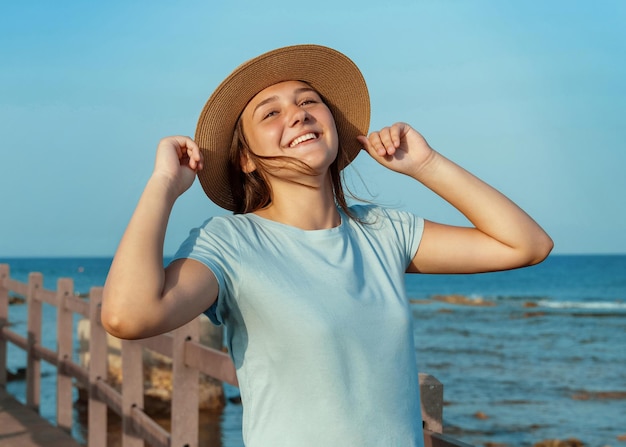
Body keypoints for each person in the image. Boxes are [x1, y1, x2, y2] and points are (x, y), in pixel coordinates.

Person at [102, 44, 553, 447]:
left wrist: (427, 164)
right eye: (271, 113)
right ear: (245, 158)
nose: (298, 114)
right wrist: (162, 183)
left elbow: (526, 245)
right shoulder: (229, 243)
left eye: (308, 101)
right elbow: (128, 315)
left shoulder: (383, 232)